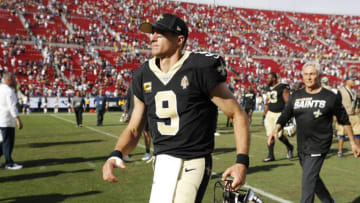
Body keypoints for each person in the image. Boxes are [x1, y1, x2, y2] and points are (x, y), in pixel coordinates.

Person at [102, 13, 250, 203]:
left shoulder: (199, 68)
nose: (152, 37)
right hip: (162, 161)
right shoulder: (142, 74)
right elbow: (133, 128)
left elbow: (237, 114)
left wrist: (241, 161)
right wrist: (116, 153)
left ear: (179, 40)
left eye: (161, 33)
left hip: (194, 160)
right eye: (152, 33)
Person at [269, 61, 360, 203]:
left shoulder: (330, 96)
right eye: (305, 74)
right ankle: (328, 201)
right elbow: (286, 114)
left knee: (307, 184)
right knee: (312, 177)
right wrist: (276, 129)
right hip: (302, 145)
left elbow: (344, 120)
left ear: (319, 75)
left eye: (312, 74)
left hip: (319, 144)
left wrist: (353, 143)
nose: (308, 77)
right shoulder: (296, 95)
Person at [263, 72, 294, 162]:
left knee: (279, 136)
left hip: (279, 114)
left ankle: (289, 146)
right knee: (270, 134)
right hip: (270, 114)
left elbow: (287, 102)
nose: (267, 80)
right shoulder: (268, 88)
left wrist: (288, 115)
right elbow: (268, 99)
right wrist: (266, 107)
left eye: (269, 78)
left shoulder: (282, 87)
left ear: (274, 79)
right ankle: (271, 155)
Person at [0, 72, 23, 170]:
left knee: (3, 142)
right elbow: (12, 107)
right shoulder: (9, 91)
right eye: (13, 79)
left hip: (1, 119)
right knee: (8, 142)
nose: (15, 81)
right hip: (6, 120)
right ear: (8, 80)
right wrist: (18, 119)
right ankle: (9, 163)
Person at [335, 76, 360, 157]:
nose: (354, 82)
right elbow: (336, 104)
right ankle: (340, 151)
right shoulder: (341, 91)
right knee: (341, 133)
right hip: (343, 115)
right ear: (347, 81)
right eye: (352, 80)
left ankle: (357, 149)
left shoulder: (355, 92)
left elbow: (357, 102)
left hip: (353, 115)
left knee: (357, 132)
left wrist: (358, 109)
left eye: (354, 80)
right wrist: (335, 115)